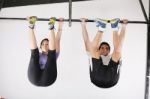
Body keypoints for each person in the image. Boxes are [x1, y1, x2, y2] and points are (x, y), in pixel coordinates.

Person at [80, 18, 128, 88]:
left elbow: (119, 45)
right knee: (117, 52)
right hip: (112, 80)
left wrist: (83, 25)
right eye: (102, 48)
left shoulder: (110, 56)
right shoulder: (96, 53)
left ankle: (102, 28)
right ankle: (114, 27)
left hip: (96, 78)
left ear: (109, 51)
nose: (104, 50)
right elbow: (86, 41)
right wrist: (124, 26)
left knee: (116, 51)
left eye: (107, 48)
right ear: (99, 49)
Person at [27, 16, 64, 87]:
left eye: (47, 44)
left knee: (42, 54)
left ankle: (32, 26)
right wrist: (60, 24)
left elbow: (57, 40)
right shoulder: (40, 54)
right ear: (40, 47)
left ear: (50, 44)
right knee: (35, 54)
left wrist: (60, 25)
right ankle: (34, 26)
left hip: (36, 79)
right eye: (43, 44)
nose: (45, 45)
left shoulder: (54, 53)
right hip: (49, 79)